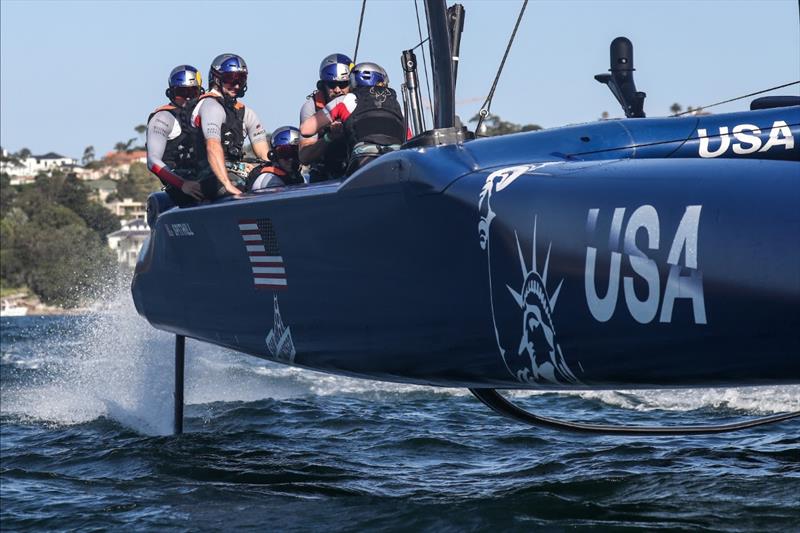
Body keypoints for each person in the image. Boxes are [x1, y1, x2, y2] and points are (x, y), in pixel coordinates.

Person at [300, 62, 406, 176]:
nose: (337, 90)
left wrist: (331, 131)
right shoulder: (397, 105)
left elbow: (305, 129)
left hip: (362, 160)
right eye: (332, 85)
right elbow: (408, 138)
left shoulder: (346, 100)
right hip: (394, 158)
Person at [189, 53, 270, 197]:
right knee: (237, 187)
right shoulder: (210, 106)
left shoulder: (246, 113)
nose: (237, 85)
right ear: (216, 79)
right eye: (230, 79)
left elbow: (265, 156)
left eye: (241, 79)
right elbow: (212, 146)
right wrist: (227, 183)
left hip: (233, 173)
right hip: (206, 176)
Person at [145, 65, 208, 207]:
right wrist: (182, 184)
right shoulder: (163, 118)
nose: (187, 97)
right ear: (171, 93)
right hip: (181, 186)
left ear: (200, 92)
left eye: (192, 92)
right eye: (181, 92)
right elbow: (152, 161)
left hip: (206, 176)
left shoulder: (206, 113)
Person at [298, 53, 354, 182]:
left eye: (343, 84)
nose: (338, 90)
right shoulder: (311, 107)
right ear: (322, 85)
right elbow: (304, 157)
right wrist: (329, 137)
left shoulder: (358, 101)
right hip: (324, 175)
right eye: (332, 85)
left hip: (355, 169)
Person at [247, 126, 305, 191]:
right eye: (284, 153)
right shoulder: (272, 181)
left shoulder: (297, 177)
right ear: (274, 155)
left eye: (295, 153)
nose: (290, 159)